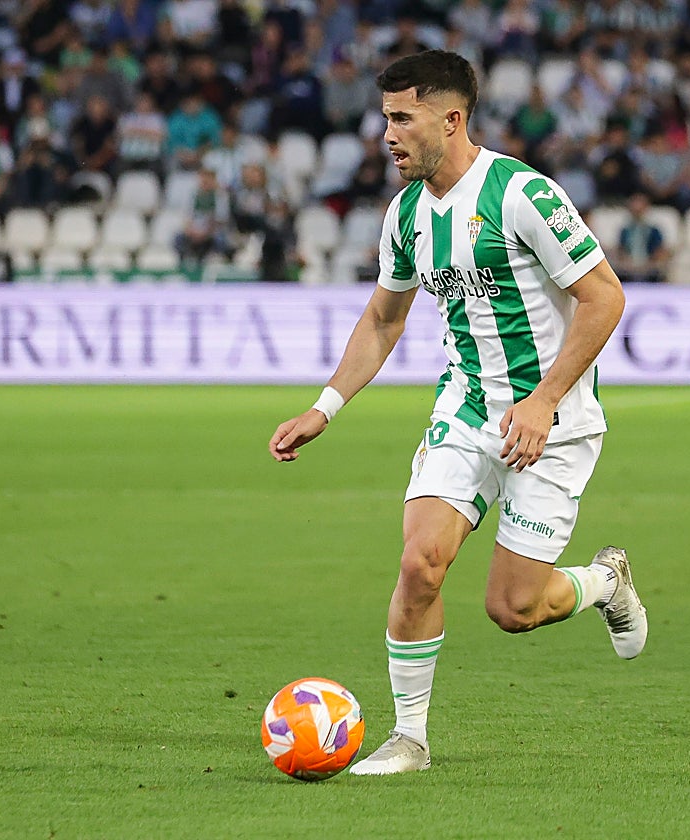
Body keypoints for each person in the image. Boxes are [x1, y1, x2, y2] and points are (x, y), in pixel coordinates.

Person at [268, 50, 646, 777]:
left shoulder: (520, 194)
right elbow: (383, 319)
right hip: (468, 409)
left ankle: (605, 582)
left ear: (451, 117)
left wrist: (543, 400)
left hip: (553, 421)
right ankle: (410, 737)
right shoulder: (406, 214)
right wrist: (327, 406)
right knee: (419, 564)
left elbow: (605, 297)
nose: (388, 134)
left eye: (402, 118)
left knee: (515, 609)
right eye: (385, 119)